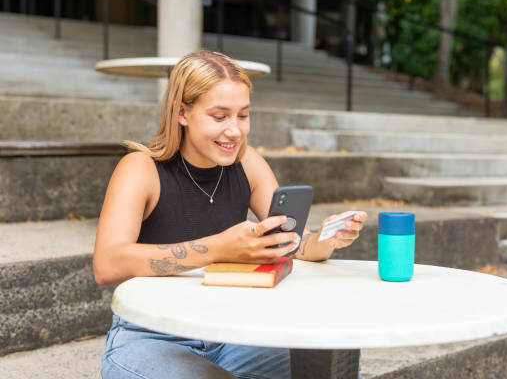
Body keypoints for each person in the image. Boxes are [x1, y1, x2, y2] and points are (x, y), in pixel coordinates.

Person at [94, 49, 368, 379]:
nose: (235, 131)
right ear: (182, 113)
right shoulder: (140, 169)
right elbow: (107, 265)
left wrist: (324, 239)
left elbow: (294, 243)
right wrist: (220, 249)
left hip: (234, 334)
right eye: (220, 116)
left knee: (326, 369)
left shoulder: (247, 162)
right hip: (151, 337)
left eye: (243, 115)